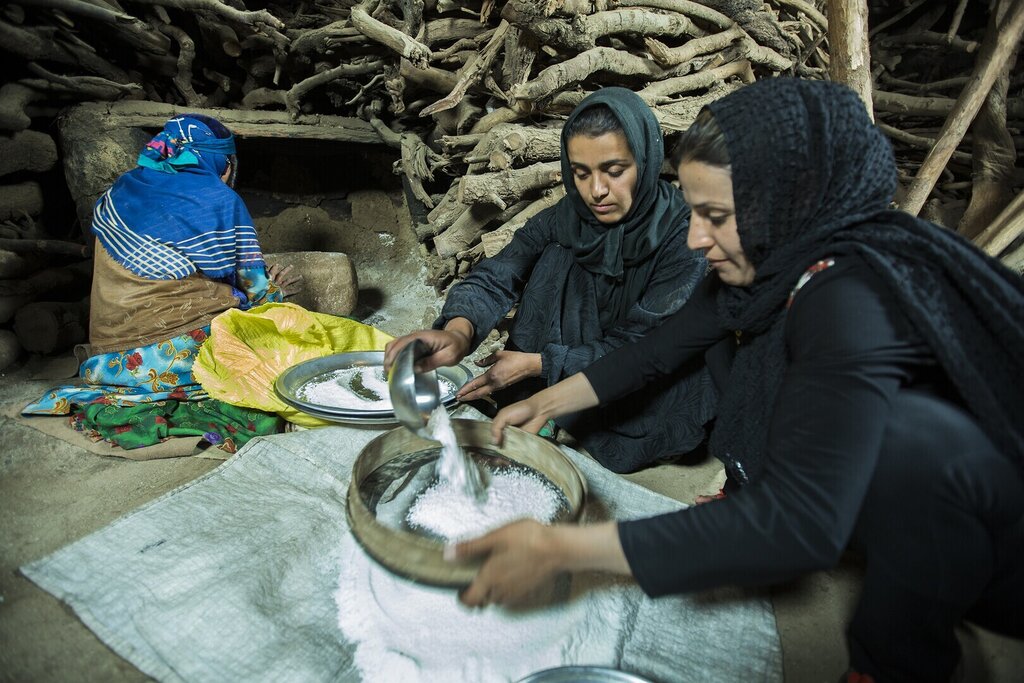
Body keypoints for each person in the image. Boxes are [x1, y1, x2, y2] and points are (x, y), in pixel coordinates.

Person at [448, 79, 1024, 682]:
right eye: (696, 213)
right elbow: (657, 349)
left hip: (992, 549)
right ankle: (756, 486)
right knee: (728, 340)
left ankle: (897, 661)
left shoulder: (851, 299)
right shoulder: (768, 265)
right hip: (876, 481)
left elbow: (798, 527)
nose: (697, 238)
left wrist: (559, 549)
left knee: (913, 445)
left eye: (715, 216)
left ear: (785, 200)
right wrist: (545, 400)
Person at [384, 87, 717, 473]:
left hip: (646, 391)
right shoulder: (569, 216)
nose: (596, 191)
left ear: (645, 160)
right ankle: (550, 401)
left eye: (615, 171)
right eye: (581, 173)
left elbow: (643, 350)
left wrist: (539, 365)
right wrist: (459, 332)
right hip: (570, 368)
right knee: (558, 253)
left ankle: (556, 402)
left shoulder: (683, 237)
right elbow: (499, 272)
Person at [23, 114, 301, 451]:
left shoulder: (121, 189)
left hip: (110, 360)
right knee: (292, 336)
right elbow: (256, 290)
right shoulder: (220, 200)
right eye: (228, 163)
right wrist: (277, 290)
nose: (228, 173)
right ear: (222, 162)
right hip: (179, 354)